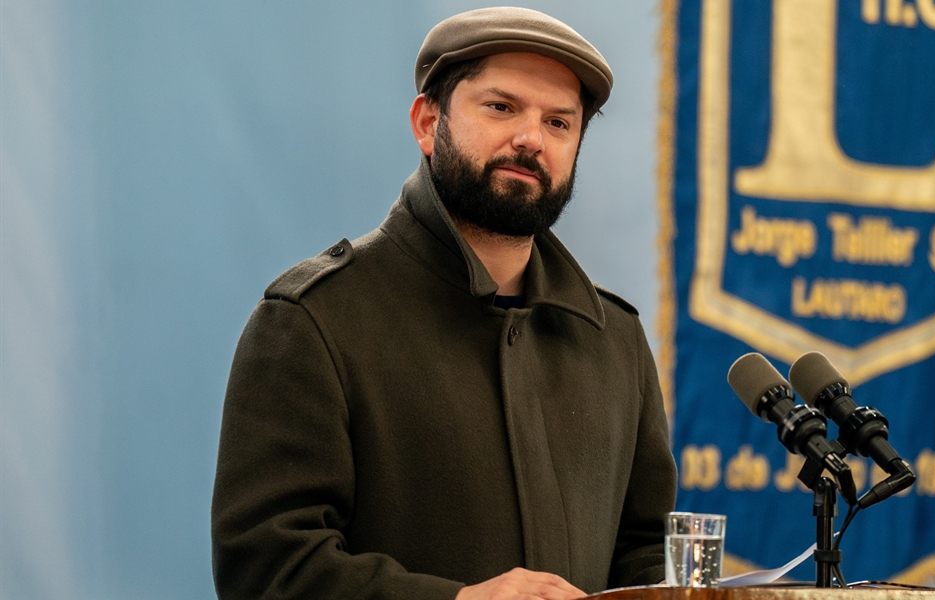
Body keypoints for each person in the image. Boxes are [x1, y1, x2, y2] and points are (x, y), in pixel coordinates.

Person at [210, 7, 677, 600]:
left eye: (559, 122)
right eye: (501, 107)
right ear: (428, 123)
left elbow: (644, 556)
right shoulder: (312, 320)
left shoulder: (614, 339)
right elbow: (266, 569)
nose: (531, 139)